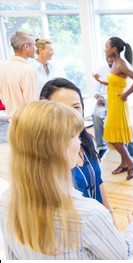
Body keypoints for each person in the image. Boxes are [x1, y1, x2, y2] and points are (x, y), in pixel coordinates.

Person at [0, 100, 133, 259]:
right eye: (75, 137)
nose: (80, 144)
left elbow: (12, 257)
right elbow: (122, 255)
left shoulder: (6, 201)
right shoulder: (88, 215)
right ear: (58, 149)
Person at [40, 78, 115, 225]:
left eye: (76, 107)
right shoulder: (44, 156)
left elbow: (98, 182)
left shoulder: (86, 141)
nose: (72, 115)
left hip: (101, 226)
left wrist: (110, 217)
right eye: (62, 108)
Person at [94, 37, 133, 180]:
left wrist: (126, 94)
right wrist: (100, 81)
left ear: (114, 49)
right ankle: (124, 162)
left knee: (111, 135)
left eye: (106, 46)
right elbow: (114, 83)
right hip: (113, 102)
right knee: (120, 135)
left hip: (119, 103)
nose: (105, 49)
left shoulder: (121, 64)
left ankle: (131, 162)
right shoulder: (114, 63)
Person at [0, 31, 39, 119]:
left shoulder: (2, 67)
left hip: (11, 121)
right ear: (26, 47)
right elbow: (33, 104)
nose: (36, 48)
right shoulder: (27, 71)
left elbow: (2, 96)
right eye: (34, 44)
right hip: (27, 121)